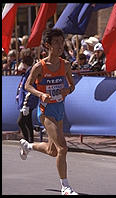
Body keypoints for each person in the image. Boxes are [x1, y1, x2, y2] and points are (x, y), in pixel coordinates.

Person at [19, 28, 78, 195]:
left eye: (62, 42)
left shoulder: (65, 65)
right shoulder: (40, 66)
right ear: (47, 45)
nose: (60, 46)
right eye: (56, 43)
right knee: (62, 148)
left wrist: (68, 90)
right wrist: (40, 94)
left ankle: (28, 146)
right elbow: (27, 85)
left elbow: (72, 85)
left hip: (60, 110)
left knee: (53, 151)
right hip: (46, 111)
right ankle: (65, 187)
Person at [16, 48, 39, 143]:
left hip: (28, 103)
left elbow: (30, 89)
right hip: (26, 102)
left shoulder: (30, 73)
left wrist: (26, 104)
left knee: (20, 122)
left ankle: (26, 141)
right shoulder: (27, 72)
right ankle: (31, 141)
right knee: (28, 122)